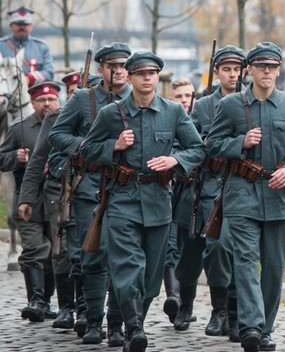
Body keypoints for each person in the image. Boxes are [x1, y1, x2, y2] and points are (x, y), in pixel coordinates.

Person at [80, 50, 205, 352]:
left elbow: (198, 150)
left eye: (152, 74)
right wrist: (114, 145)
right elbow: (86, 150)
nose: (147, 78)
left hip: (159, 201)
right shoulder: (112, 113)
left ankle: (135, 322)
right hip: (122, 200)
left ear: (157, 78)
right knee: (127, 267)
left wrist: (175, 159)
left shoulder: (174, 112)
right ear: (132, 77)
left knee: (150, 276)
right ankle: (135, 328)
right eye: (141, 73)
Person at [206, 42, 285, 352]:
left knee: (273, 268)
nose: (266, 71)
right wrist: (240, 142)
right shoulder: (231, 105)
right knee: (244, 262)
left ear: (279, 70)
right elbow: (212, 145)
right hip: (241, 195)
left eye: (272, 66)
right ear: (250, 70)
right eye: (260, 66)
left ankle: (265, 328)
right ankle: (251, 327)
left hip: (278, 195)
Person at [48, 42, 132, 345]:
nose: (119, 71)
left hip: (126, 189)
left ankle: (118, 324)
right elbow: (57, 135)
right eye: (113, 66)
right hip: (89, 188)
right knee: (92, 256)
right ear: (101, 69)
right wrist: (88, 147)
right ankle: (93, 320)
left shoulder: (138, 100)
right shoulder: (84, 99)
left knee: (122, 261)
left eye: (124, 66)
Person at [176, 45, 246, 337]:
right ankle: (185, 305)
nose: (233, 75)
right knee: (189, 254)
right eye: (227, 69)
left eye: (237, 69)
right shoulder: (202, 105)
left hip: (236, 187)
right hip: (202, 187)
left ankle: (224, 312)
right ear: (216, 72)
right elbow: (187, 143)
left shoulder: (250, 103)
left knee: (221, 248)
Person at [0, 81, 61, 322]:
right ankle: (35, 300)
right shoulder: (19, 129)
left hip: (57, 199)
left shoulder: (65, 125)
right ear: (32, 102)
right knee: (36, 249)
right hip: (28, 198)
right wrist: (15, 157)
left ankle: (46, 302)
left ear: (58, 101)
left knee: (55, 254)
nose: (47, 104)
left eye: (51, 99)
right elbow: (1, 159)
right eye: (41, 100)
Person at [17, 103, 75, 330]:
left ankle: (89, 309)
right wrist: (26, 197)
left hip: (93, 191)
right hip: (58, 193)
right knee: (61, 250)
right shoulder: (55, 118)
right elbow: (38, 159)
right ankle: (65, 307)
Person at [160, 76, 196, 325]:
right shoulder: (167, 117)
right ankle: (174, 297)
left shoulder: (204, 116)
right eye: (179, 96)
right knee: (169, 246)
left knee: (188, 248)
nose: (184, 101)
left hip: (192, 191)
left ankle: (185, 300)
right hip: (168, 188)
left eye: (188, 96)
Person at [0, 6, 54, 84]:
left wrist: (29, 78)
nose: (22, 27)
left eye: (25, 24)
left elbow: (49, 73)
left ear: (31, 26)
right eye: (18, 24)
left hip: (34, 92)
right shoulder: (1, 46)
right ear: (11, 26)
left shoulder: (42, 47)